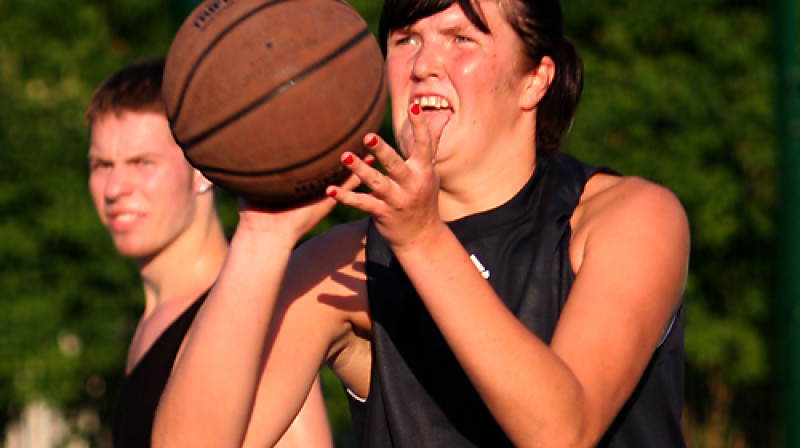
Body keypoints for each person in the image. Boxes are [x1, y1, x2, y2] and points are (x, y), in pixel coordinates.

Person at [153, 0, 690, 446]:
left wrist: (422, 238)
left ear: (535, 80)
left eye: (461, 39)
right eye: (406, 39)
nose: (425, 63)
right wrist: (261, 236)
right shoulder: (347, 264)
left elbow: (561, 432)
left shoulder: (629, 218)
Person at [85, 58, 334, 448]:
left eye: (142, 162)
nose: (115, 187)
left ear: (202, 168)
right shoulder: (151, 320)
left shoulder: (250, 314)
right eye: (102, 164)